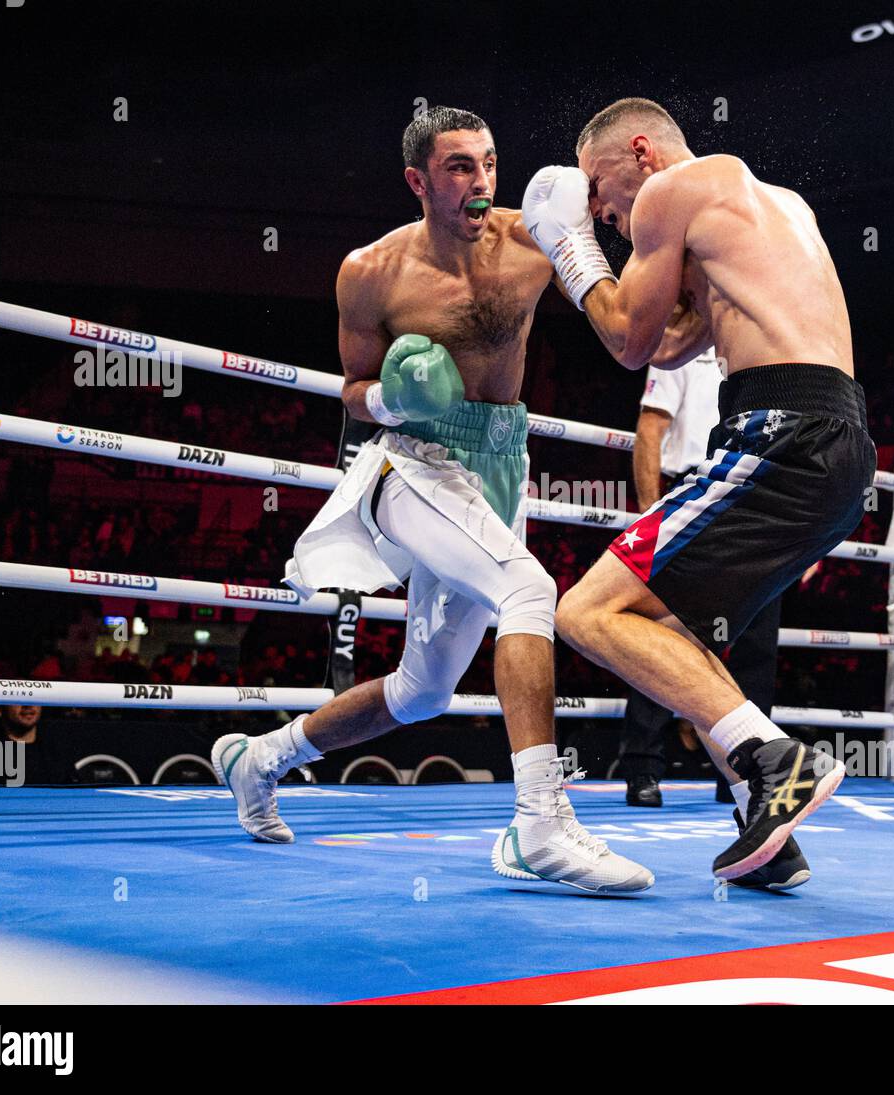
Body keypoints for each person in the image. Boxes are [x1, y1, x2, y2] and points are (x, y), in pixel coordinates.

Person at [212, 107, 651, 893]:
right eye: (459, 168)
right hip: (412, 464)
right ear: (418, 180)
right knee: (530, 588)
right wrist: (396, 397)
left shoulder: (533, 239)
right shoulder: (371, 272)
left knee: (421, 691)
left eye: (488, 163)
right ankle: (538, 825)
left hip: (500, 467)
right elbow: (353, 392)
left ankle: (260, 757)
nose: (481, 182)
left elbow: (624, 274)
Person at [521, 98, 875, 882]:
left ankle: (775, 760)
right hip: (837, 446)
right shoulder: (772, 206)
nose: (602, 210)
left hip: (779, 434)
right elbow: (679, 342)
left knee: (585, 610)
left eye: (597, 185)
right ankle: (766, 819)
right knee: (671, 627)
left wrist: (571, 254)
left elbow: (628, 342)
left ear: (640, 151)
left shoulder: (668, 192)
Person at [621, 350, 786, 826]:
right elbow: (650, 430)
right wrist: (655, 515)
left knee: (755, 641)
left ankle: (747, 771)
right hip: (694, 491)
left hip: (756, 496)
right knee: (664, 635)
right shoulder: (677, 352)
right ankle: (643, 768)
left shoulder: (755, 355)